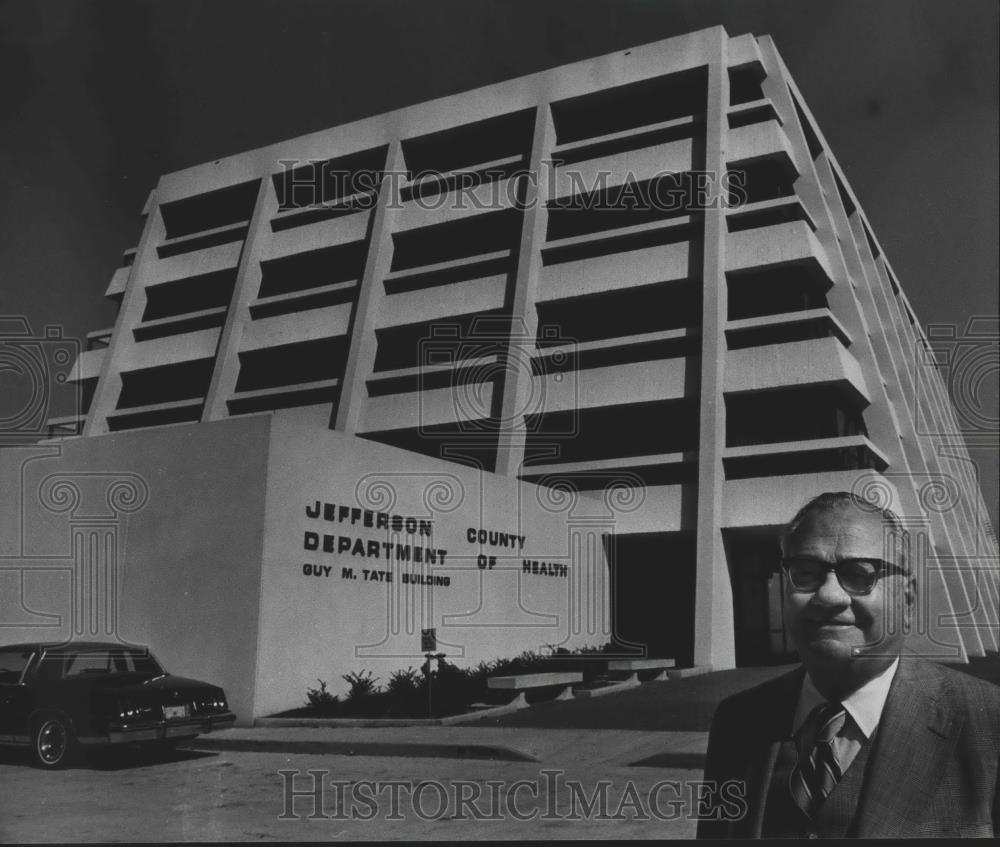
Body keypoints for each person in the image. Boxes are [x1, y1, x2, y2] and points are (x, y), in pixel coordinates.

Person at [697, 491, 1000, 839]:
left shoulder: (987, 724)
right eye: (805, 572)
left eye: (859, 574)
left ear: (908, 600)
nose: (828, 596)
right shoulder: (738, 721)